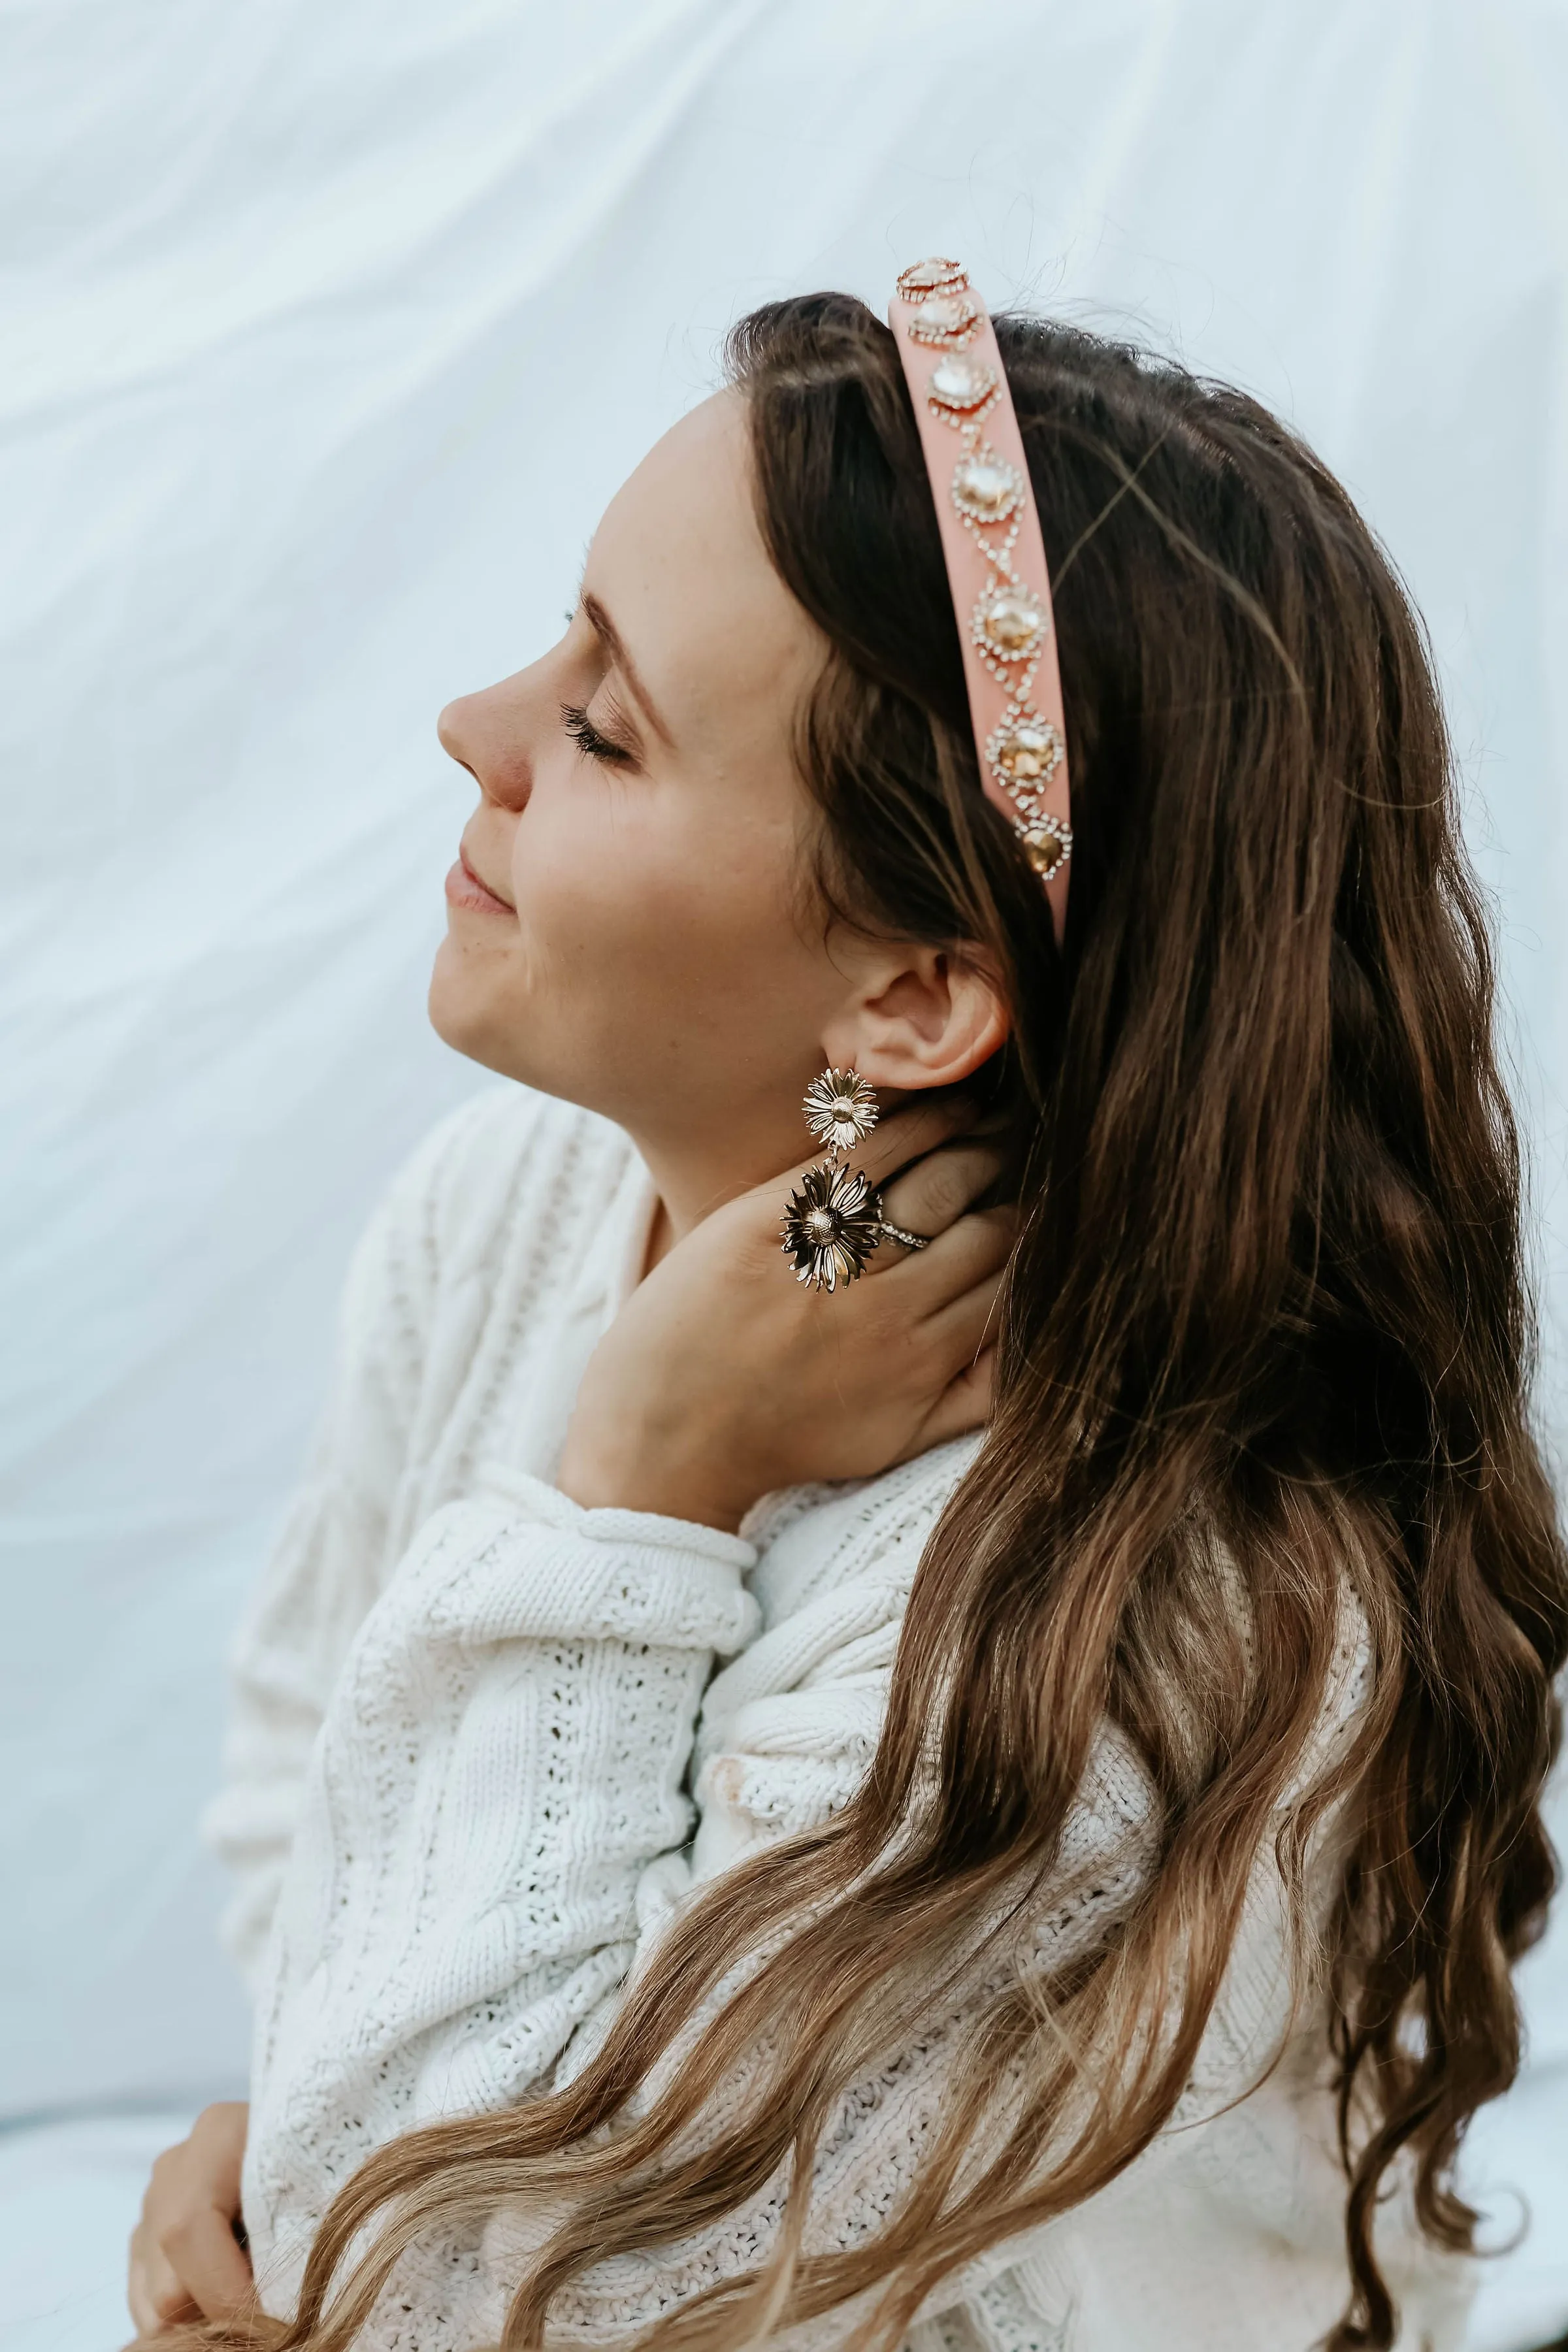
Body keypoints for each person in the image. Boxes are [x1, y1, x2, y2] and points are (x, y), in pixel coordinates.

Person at [127, 274, 1567, 2352]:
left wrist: (641, 1489)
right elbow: (310, 1817)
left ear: (909, 993)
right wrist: (273, 2154)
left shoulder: (1136, 1632)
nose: (478, 726)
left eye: (605, 722)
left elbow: (472, 2298)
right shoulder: (510, 1212)